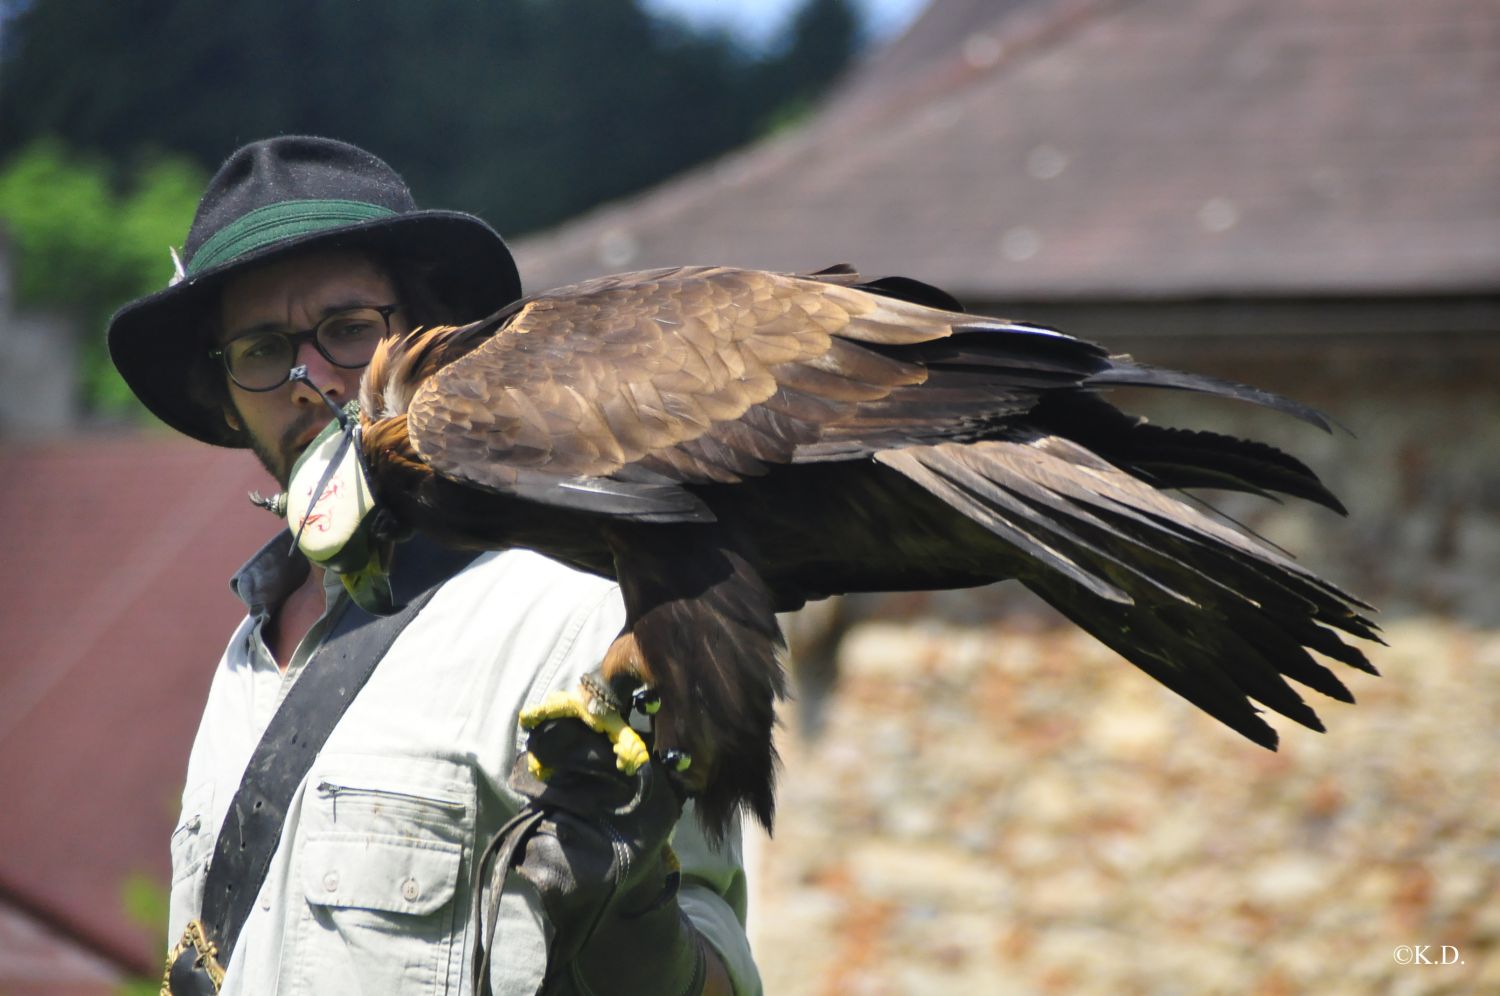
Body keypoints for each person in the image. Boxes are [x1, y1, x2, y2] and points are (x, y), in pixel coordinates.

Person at [107, 136, 759, 995]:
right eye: (263, 350)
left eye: (346, 330)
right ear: (225, 393)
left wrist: (629, 913)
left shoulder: (582, 614)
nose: (309, 380)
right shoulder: (246, 653)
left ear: (427, 342)